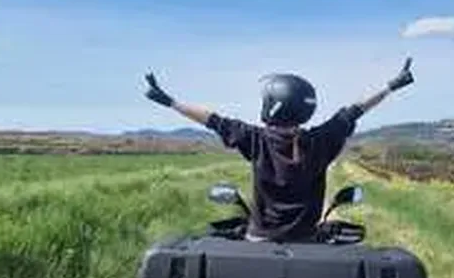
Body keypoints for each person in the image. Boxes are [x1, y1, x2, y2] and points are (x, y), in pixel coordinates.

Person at [143, 58, 415, 242]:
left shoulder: (254, 139)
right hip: (307, 240)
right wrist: (390, 86)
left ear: (271, 104)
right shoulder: (322, 140)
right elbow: (356, 109)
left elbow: (211, 119)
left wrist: (170, 102)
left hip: (259, 238)